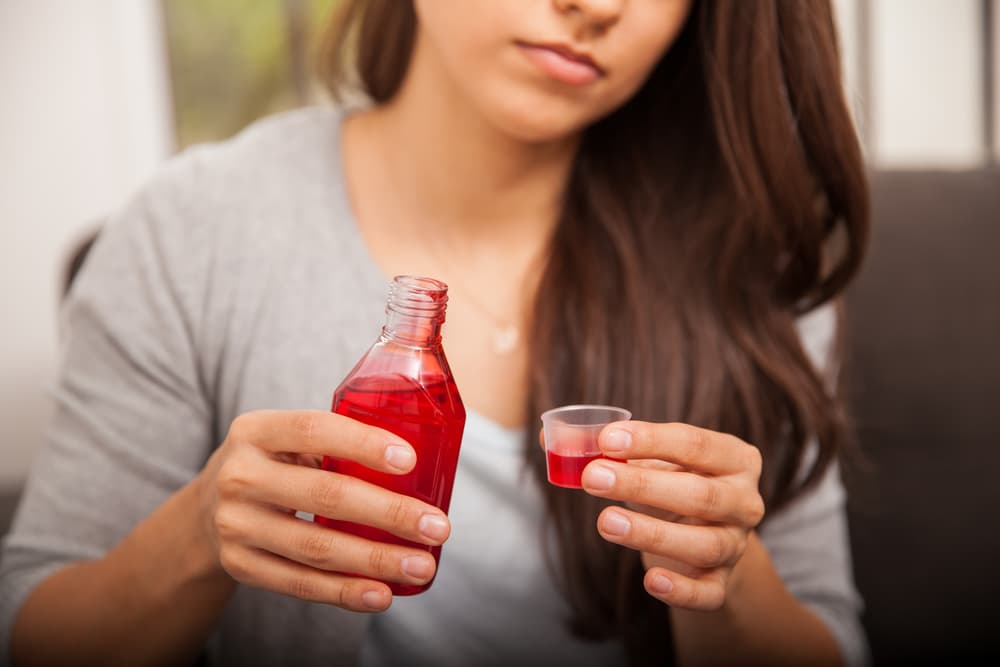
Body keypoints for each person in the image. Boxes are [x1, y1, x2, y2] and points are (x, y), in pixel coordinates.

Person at [0, 0, 870, 665]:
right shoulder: (194, 229)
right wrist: (199, 538)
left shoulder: (753, 260)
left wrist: (719, 572)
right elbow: (32, 633)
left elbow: (830, 638)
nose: (599, 6)